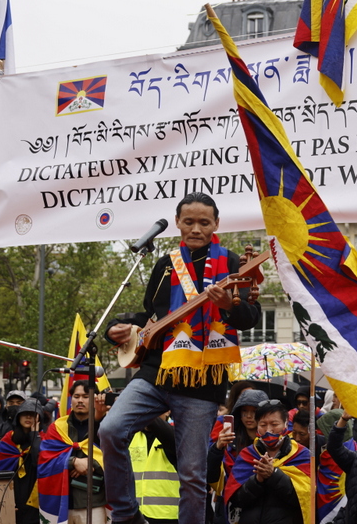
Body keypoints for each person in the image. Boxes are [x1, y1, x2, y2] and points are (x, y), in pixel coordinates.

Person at [101, 192, 262, 524]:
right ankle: (126, 515)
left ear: (216, 224)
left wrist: (229, 305)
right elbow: (151, 315)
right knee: (111, 429)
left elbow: (250, 317)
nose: (196, 229)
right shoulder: (165, 264)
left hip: (203, 382)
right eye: (188, 221)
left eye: (204, 222)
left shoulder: (233, 263)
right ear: (177, 223)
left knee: (192, 474)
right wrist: (118, 327)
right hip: (156, 372)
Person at [227, 400, 311, 524]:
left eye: (274, 424)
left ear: (286, 424)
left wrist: (274, 474)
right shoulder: (247, 454)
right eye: (263, 424)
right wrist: (257, 480)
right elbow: (236, 500)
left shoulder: (301, 455)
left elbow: (304, 499)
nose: (268, 430)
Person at [37, 380, 108, 524]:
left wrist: (90, 464)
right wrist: (73, 462)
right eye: (76, 396)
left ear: (95, 399)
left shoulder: (106, 426)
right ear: (71, 399)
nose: (80, 400)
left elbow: (115, 459)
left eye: (86, 396)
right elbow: (45, 461)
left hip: (95, 504)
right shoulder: (57, 428)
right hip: (62, 503)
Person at [207, 388, 268, 524]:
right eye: (244, 411)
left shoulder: (272, 443)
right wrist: (218, 447)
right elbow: (211, 474)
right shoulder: (229, 440)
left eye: (254, 411)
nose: (248, 416)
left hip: (261, 508)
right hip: (228, 506)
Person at [0, 399, 44, 524]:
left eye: (33, 414)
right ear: (18, 416)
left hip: (36, 501)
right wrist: (6, 501)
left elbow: (39, 462)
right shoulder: (7, 440)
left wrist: (34, 434)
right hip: (12, 498)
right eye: (25, 413)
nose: (28, 417)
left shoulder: (44, 439)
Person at [129, 412, 179, 524]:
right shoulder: (132, 434)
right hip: (135, 514)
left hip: (167, 516)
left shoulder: (177, 434)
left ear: (167, 411)